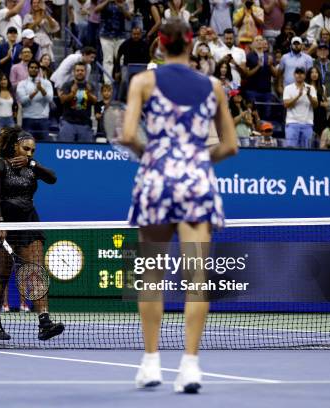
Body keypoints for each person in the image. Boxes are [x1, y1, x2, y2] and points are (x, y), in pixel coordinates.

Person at [120, 18, 238, 393]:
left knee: (151, 275)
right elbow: (230, 145)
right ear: (190, 44)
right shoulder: (215, 86)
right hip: (196, 181)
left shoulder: (143, 81)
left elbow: (126, 135)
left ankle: (151, 363)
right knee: (197, 279)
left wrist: (150, 156)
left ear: (159, 44)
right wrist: (198, 162)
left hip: (156, 179)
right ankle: (190, 366)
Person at [0, 126, 64, 341]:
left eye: (33, 151)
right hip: (3, 223)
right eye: (26, 149)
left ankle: (44, 323)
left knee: (36, 271)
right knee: (2, 276)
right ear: (15, 145)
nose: (29, 153)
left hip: (28, 223)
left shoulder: (32, 166)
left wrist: (32, 164)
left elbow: (53, 178)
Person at [58, 62, 98, 142]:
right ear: (74, 72)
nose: (80, 72)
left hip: (85, 123)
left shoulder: (90, 85)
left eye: (82, 70)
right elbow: (62, 100)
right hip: (68, 122)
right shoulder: (67, 85)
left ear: (85, 72)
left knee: (85, 151)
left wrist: (88, 93)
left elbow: (95, 101)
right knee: (65, 148)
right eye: (78, 70)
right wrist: (72, 93)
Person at [16, 60, 54, 140]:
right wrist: (35, 92)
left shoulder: (46, 83)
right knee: (27, 147)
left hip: (43, 119)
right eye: (32, 67)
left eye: (36, 68)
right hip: (27, 119)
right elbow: (22, 101)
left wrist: (41, 89)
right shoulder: (22, 84)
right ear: (28, 69)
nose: (34, 69)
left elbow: (50, 99)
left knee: (45, 146)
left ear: (39, 69)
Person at [283, 67, 318, 148]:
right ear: (294, 75)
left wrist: (309, 95)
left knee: (306, 151)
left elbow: (316, 105)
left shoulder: (311, 88)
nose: (299, 75)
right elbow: (286, 104)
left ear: (305, 75)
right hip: (292, 123)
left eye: (301, 73)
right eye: (297, 73)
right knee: (291, 150)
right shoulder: (288, 88)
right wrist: (298, 95)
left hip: (307, 124)